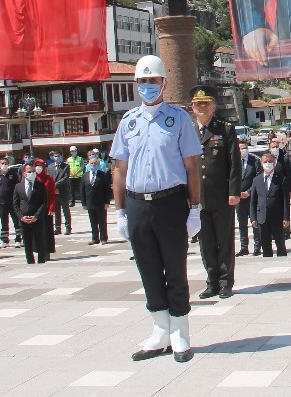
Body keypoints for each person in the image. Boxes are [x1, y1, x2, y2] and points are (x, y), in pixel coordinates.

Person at [110, 55, 202, 363]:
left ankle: (180, 331)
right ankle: (160, 329)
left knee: (175, 267)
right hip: (138, 203)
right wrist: (120, 212)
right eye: (142, 81)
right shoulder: (128, 121)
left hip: (170, 202)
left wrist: (194, 208)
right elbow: (120, 169)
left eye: (153, 81)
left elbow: (192, 167)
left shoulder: (178, 119)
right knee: (147, 268)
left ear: (163, 83)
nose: (147, 86)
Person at [190, 85, 241, 301]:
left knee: (225, 241)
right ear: (192, 108)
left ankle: (225, 283)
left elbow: (234, 163)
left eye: (206, 103)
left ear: (214, 106)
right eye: (198, 104)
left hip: (221, 195)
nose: (202, 107)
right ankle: (211, 282)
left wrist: (234, 191)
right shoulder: (188, 131)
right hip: (198, 197)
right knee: (206, 242)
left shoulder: (225, 129)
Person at [250, 153, 290, 257]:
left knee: (280, 244)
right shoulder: (256, 180)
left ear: (274, 163)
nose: (268, 164)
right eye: (265, 162)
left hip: (277, 217)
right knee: (265, 245)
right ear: (261, 163)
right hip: (262, 218)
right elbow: (253, 201)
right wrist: (253, 218)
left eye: (270, 162)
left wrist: (286, 218)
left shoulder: (281, 179)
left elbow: (285, 200)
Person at [13, 162, 47, 264]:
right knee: (27, 243)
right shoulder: (18, 186)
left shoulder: (40, 185)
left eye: (33, 171)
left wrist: (36, 216)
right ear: (24, 173)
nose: (32, 173)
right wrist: (21, 217)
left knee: (40, 242)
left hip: (37, 219)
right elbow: (15, 204)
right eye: (29, 172)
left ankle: (41, 261)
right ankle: (30, 262)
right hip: (24, 220)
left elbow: (44, 203)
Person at [235, 141, 260, 256]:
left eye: (244, 148)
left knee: (255, 222)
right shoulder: (234, 161)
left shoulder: (254, 161)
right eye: (240, 148)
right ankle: (244, 247)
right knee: (242, 224)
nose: (242, 150)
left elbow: (257, 178)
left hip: (251, 197)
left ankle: (257, 246)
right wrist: (236, 193)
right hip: (239, 198)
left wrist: (249, 192)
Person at [0, 156, 22, 248]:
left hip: (13, 202)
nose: (4, 165)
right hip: (1, 203)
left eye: (6, 163)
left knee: (16, 221)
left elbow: (18, 187)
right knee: (3, 222)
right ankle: (4, 240)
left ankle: (18, 239)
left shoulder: (13, 175)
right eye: (2, 163)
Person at [82, 155, 111, 244]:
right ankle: (95, 238)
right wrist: (84, 203)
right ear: (88, 164)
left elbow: (107, 189)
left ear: (98, 165)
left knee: (102, 221)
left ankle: (103, 238)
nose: (93, 165)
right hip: (90, 202)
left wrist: (107, 202)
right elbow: (82, 190)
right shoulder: (85, 175)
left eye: (95, 163)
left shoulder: (103, 175)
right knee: (93, 222)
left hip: (101, 202)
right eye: (91, 163)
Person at [34, 159, 56, 260]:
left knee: (47, 231)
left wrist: (52, 207)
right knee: (36, 231)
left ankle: (47, 252)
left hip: (46, 209)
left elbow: (52, 194)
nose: (38, 168)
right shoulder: (33, 178)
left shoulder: (49, 179)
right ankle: (38, 251)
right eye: (37, 166)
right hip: (35, 209)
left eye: (40, 166)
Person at [48, 152, 72, 235]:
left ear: (61, 156)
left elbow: (65, 178)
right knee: (56, 210)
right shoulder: (50, 167)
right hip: (54, 191)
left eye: (58, 156)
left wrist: (56, 185)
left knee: (65, 210)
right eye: (55, 156)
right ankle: (57, 228)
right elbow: (49, 177)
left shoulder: (66, 166)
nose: (57, 157)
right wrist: (52, 186)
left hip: (63, 191)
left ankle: (68, 228)